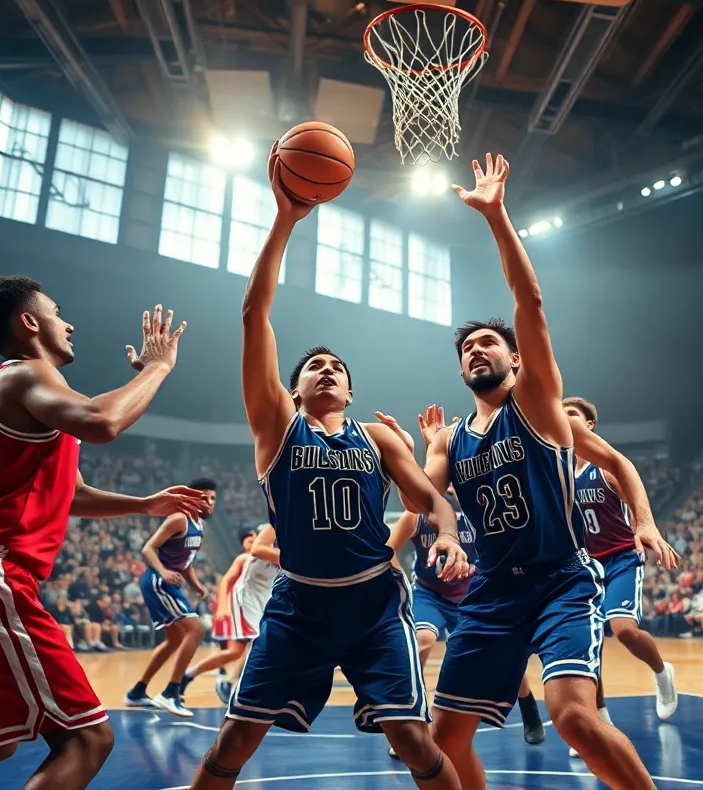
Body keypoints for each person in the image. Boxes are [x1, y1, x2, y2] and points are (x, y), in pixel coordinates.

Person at [189, 148, 469, 790]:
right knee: (235, 739)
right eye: (314, 366)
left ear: (349, 388)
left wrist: (448, 533)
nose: (328, 369)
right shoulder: (277, 429)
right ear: (291, 392)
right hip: (299, 605)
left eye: (337, 366)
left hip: (373, 600)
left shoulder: (376, 436)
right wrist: (286, 218)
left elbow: (432, 501)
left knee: (413, 740)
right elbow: (253, 314)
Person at [0, 276, 206, 790]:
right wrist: (159, 368)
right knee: (88, 739)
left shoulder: (37, 395)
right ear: (29, 322)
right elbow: (102, 421)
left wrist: (143, 504)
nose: (69, 324)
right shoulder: (22, 376)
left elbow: (72, 494)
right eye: (56, 312)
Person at [417, 154, 678, 790]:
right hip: (490, 592)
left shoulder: (536, 404)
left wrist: (496, 216)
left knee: (573, 719)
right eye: (466, 348)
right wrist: (444, 528)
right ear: (459, 371)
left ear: (514, 358)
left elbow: (528, 298)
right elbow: (428, 498)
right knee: (443, 741)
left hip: (560, 579)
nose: (477, 349)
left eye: (488, 342)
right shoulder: (450, 437)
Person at [384, 471, 547, 750]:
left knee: (500, 652)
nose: (447, 487)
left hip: (471, 593)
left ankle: (528, 707)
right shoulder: (416, 515)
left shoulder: (479, 511)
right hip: (429, 592)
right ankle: (414, 718)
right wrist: (402, 584)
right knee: (422, 639)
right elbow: (388, 551)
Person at [561, 396, 677, 758]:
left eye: (572, 415)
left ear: (589, 425)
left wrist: (647, 527)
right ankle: (599, 719)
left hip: (622, 558)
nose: (563, 419)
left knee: (623, 628)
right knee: (587, 646)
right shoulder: (558, 472)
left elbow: (635, 497)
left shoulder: (605, 467)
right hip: (584, 566)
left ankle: (661, 672)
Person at [125, 477, 217, 716]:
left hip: (169, 583)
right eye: (204, 497)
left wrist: (196, 585)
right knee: (196, 629)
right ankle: (170, 693)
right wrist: (164, 572)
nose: (209, 502)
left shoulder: (200, 526)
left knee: (175, 640)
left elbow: (185, 563)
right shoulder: (178, 519)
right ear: (192, 498)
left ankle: (137, 692)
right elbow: (148, 548)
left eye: (213, 498)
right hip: (157, 580)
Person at [182, 531, 256, 700]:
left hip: (255, 610)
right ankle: (229, 681)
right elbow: (226, 582)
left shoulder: (266, 560)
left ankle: (189, 675)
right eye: (249, 541)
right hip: (243, 610)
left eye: (255, 540)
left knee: (235, 653)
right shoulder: (244, 560)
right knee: (254, 645)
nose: (253, 544)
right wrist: (223, 606)